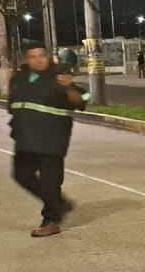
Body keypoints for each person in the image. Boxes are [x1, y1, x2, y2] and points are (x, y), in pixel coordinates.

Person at [8, 44, 87, 237]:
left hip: (52, 139)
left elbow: (82, 98)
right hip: (25, 139)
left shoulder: (59, 75)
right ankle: (60, 204)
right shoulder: (19, 78)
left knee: (50, 183)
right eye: (33, 56)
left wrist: (68, 87)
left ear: (48, 56)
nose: (38, 60)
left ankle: (51, 220)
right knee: (21, 175)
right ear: (26, 59)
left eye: (41, 55)